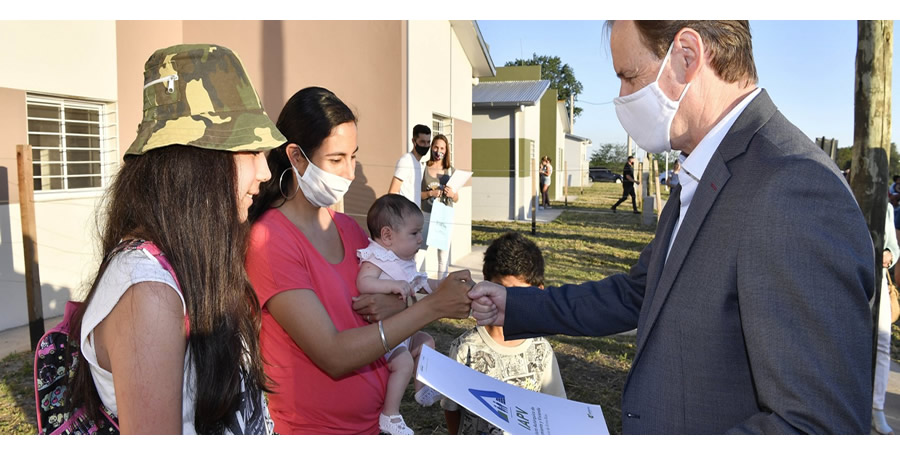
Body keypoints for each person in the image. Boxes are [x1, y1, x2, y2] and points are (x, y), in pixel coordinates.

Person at [470, 20, 874, 434]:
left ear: (687, 55)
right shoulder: (702, 171)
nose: (622, 97)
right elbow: (640, 293)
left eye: (629, 77)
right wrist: (514, 305)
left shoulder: (793, 188)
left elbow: (819, 426)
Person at [68, 44, 286, 434]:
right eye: (251, 149)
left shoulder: (184, 263)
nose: (265, 171)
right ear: (197, 163)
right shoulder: (147, 291)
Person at [245, 87, 473, 435]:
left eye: (353, 157)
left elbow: (375, 308)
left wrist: (410, 300)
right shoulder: (269, 240)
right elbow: (333, 354)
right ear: (297, 156)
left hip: (369, 427)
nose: (350, 173)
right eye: (336, 159)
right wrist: (430, 308)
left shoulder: (350, 230)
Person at [442, 232, 566, 435]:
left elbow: (557, 407)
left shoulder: (541, 349)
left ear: (538, 293)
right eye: (500, 290)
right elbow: (451, 409)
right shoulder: (466, 349)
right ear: (485, 285)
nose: (507, 301)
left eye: (518, 293)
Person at [356, 194, 445, 435]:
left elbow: (423, 284)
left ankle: (421, 388)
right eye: (414, 233)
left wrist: (445, 286)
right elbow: (363, 282)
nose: (420, 238)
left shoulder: (404, 259)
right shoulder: (377, 257)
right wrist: (390, 286)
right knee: (404, 362)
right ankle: (390, 415)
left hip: (403, 334)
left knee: (427, 341)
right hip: (384, 338)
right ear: (387, 236)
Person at [873, 202, 899, 434]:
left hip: (878, 280)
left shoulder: (887, 207)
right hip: (845, 276)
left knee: (883, 343)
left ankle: (877, 408)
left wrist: (889, 255)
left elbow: (894, 247)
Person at [421, 134, 459, 278]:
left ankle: (442, 287)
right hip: (426, 214)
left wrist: (451, 194)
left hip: (444, 216)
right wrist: (431, 193)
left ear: (446, 150)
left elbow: (456, 198)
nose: (439, 151)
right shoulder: (424, 168)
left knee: (443, 257)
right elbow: (417, 194)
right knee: (420, 251)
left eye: (442, 148)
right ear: (432, 147)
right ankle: (415, 284)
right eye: (436, 147)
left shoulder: (451, 171)